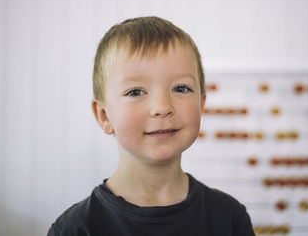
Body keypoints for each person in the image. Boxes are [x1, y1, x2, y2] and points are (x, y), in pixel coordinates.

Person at [47, 16, 255, 236]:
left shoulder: (229, 217)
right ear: (104, 116)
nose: (162, 107)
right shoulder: (75, 229)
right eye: (136, 92)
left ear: (201, 104)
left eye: (181, 89)